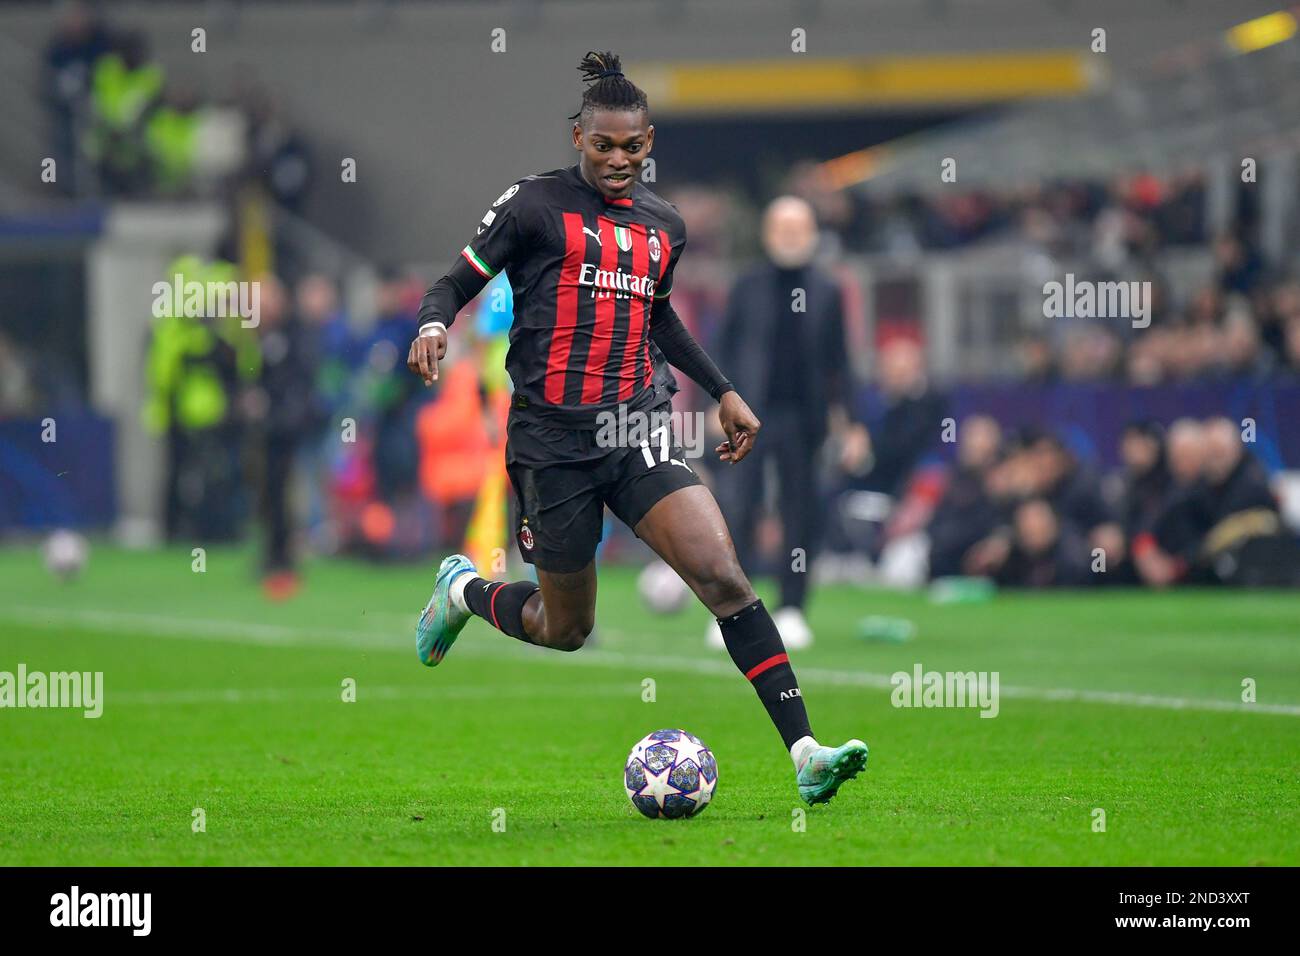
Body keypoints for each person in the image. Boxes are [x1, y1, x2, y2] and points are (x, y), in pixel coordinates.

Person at [405, 52, 867, 806]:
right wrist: (432, 321)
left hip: (634, 428)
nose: (618, 160)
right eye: (603, 145)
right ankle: (463, 594)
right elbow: (456, 279)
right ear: (578, 137)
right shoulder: (532, 205)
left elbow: (656, 319)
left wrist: (722, 391)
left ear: (648, 142)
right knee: (565, 627)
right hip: (550, 443)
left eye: (632, 147)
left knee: (724, 578)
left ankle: (807, 753)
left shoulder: (664, 227)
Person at [708, 195, 863, 649]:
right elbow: (721, 350)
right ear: (767, 233)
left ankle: (792, 608)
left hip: (803, 418)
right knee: (740, 509)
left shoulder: (828, 290)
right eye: (782, 228)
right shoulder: (748, 286)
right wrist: (718, 403)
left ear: (812, 234)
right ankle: (734, 610)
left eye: (799, 228)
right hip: (748, 415)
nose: (791, 237)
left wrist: (851, 423)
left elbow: (841, 363)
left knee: (801, 513)